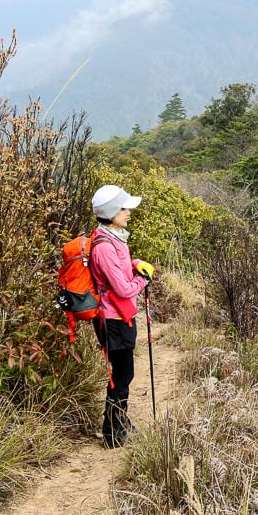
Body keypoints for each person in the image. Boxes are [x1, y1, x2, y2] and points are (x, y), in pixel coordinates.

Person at [89, 184, 155, 448]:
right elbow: (123, 288)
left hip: (120, 318)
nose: (128, 212)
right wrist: (142, 280)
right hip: (112, 320)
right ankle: (113, 432)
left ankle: (120, 423)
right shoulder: (104, 246)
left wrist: (134, 264)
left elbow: (120, 271)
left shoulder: (114, 238)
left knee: (124, 374)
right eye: (124, 208)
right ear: (112, 212)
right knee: (122, 375)